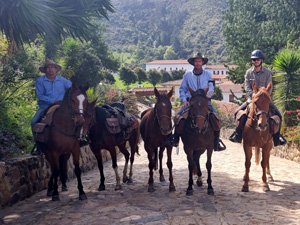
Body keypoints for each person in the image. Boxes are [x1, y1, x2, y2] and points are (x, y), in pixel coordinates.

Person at [166, 52, 226, 151]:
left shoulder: (208, 75)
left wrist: (206, 97)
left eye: (199, 61)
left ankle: (216, 142)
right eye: (196, 61)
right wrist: (184, 100)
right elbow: (182, 89)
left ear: (202, 62)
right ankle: (175, 139)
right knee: (179, 117)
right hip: (191, 102)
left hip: (205, 101)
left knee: (216, 117)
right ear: (193, 63)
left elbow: (211, 88)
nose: (198, 63)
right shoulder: (187, 75)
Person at [229, 49, 286, 146]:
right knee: (237, 113)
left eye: (258, 59)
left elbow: (269, 86)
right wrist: (253, 96)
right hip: (252, 99)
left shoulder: (268, 72)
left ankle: (277, 138)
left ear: (261, 60)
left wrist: (264, 96)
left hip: (264, 100)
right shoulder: (248, 73)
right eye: (254, 60)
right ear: (252, 61)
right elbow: (247, 87)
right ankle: (237, 135)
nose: (256, 61)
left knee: (279, 116)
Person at [31, 59, 72, 155]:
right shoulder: (40, 81)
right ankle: (39, 145)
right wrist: (53, 101)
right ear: (45, 70)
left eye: (52, 67)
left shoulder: (63, 81)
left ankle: (80, 138)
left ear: (56, 69)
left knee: (77, 118)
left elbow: (72, 89)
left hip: (61, 106)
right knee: (34, 122)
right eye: (48, 67)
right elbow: (40, 96)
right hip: (46, 106)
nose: (50, 69)